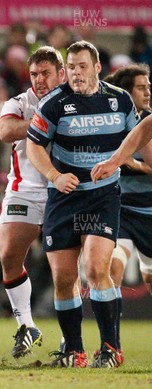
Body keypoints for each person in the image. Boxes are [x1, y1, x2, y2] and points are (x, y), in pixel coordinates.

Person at [26, 41, 139, 368]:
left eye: (82, 66)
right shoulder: (54, 103)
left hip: (102, 195)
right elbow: (34, 147)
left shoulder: (119, 99)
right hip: (63, 198)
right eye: (71, 67)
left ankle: (110, 349)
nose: (76, 73)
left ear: (97, 67)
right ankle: (73, 351)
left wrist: (122, 161)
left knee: (94, 269)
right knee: (63, 279)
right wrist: (54, 175)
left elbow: (138, 137)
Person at [0, 46, 65, 358]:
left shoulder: (75, 101)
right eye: (34, 74)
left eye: (45, 73)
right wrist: (45, 122)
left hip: (64, 190)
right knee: (10, 256)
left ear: (60, 73)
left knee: (66, 269)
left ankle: (70, 337)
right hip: (23, 190)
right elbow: (6, 130)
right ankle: (27, 325)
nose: (38, 79)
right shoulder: (20, 102)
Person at [103, 64, 152, 358]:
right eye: (141, 87)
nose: (148, 92)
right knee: (111, 270)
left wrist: (130, 163)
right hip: (119, 208)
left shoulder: (148, 121)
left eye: (149, 87)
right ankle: (111, 345)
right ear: (125, 91)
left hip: (149, 212)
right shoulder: (110, 121)